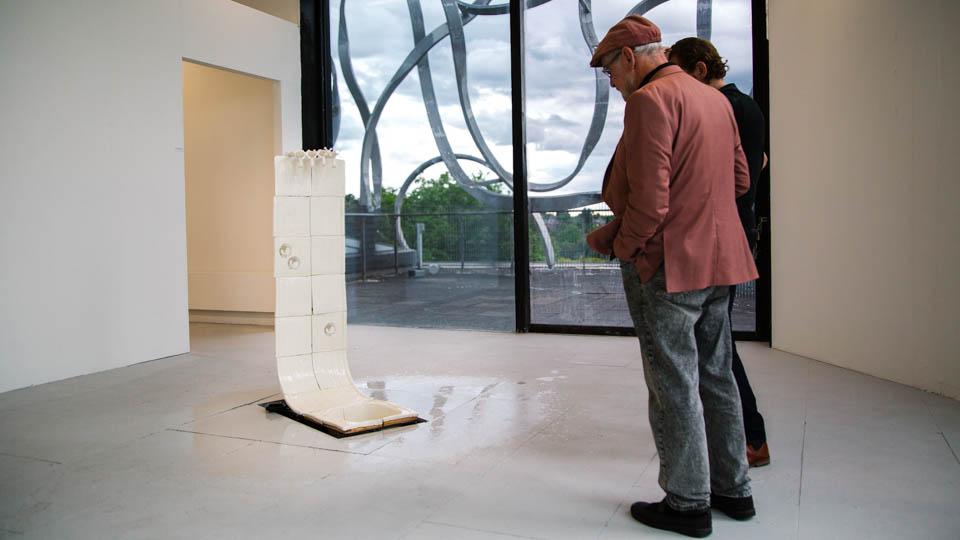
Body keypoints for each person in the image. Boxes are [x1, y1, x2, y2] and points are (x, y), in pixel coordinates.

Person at [586, 15, 759, 538]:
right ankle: (734, 490)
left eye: (609, 71)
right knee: (717, 376)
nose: (612, 82)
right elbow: (741, 178)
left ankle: (687, 502)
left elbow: (650, 203)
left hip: (668, 265)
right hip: (721, 260)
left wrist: (622, 246)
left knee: (673, 382)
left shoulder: (649, 101)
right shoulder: (715, 100)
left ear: (629, 57)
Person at [667, 37, 770, 468]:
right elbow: (757, 163)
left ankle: (751, 437)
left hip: (718, 233)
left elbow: (732, 174)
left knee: (716, 345)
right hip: (734, 229)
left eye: (678, 70)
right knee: (716, 341)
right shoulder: (745, 107)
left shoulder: (722, 106)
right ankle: (741, 437)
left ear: (700, 70)